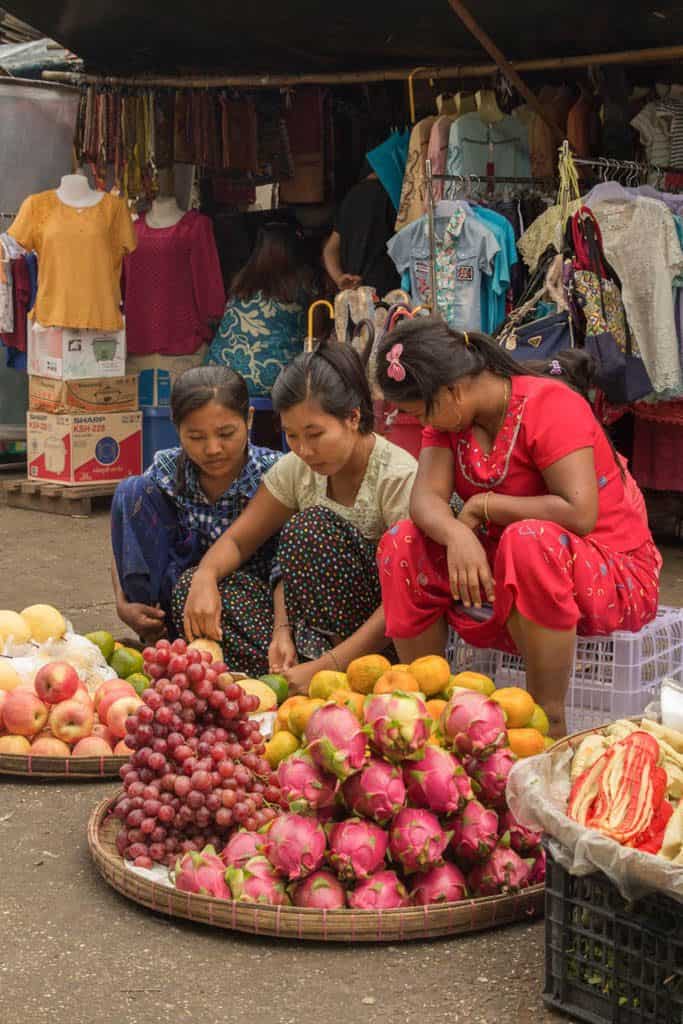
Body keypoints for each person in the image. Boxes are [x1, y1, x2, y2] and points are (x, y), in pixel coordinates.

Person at [374, 319, 661, 737]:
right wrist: (456, 533)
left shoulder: (550, 405)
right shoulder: (449, 419)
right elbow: (425, 499)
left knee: (527, 539)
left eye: (417, 412)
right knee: (402, 542)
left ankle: (548, 722)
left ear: (452, 391)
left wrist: (483, 505)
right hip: (513, 564)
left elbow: (579, 513)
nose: (415, 423)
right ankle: (427, 707)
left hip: (610, 569)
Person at [180, 341, 417, 693]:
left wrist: (330, 664)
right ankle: (291, 676)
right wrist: (205, 576)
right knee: (192, 590)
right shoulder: (297, 470)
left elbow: (405, 599)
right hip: (308, 636)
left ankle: (326, 677)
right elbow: (237, 540)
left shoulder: (396, 476)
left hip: (382, 644)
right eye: (291, 436)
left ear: (353, 417)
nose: (304, 450)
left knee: (311, 529)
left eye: (315, 435)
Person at [111, 366, 281, 674]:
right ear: (176, 429)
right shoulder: (167, 467)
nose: (213, 449)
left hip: (251, 607)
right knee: (131, 492)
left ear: (250, 419)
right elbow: (125, 538)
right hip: (180, 601)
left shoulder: (274, 474)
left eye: (226, 434)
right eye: (196, 437)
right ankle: (158, 636)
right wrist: (123, 604)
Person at [204, 221, 315, 396]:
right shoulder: (303, 285)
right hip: (271, 379)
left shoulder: (241, 281)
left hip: (219, 375)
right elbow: (313, 334)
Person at [322, 163, 400, 297]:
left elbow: (330, 248)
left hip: (354, 294)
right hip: (388, 294)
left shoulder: (351, 196)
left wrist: (340, 278)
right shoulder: (394, 194)